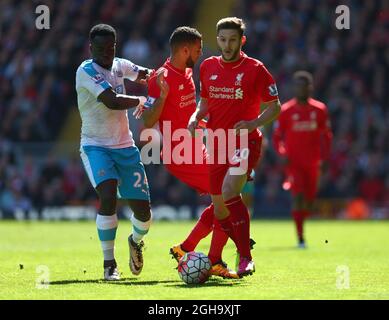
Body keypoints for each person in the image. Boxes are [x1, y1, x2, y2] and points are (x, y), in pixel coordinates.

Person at [137, 26, 239, 279]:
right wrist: (161, 96)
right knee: (226, 197)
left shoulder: (188, 71)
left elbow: (189, 114)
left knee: (226, 195)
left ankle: (185, 248)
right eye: (198, 49)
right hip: (180, 153)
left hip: (198, 147)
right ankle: (214, 259)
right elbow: (147, 122)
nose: (201, 53)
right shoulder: (160, 77)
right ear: (185, 50)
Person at [188, 17, 281, 277]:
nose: (227, 45)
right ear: (216, 40)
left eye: (232, 40)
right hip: (217, 141)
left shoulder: (255, 69)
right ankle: (217, 259)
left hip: (245, 141)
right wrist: (195, 117)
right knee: (219, 207)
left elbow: (275, 106)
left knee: (230, 191)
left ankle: (245, 257)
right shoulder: (207, 66)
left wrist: (253, 123)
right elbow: (204, 103)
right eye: (222, 40)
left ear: (242, 40)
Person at [75, 24, 153, 281]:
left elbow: (146, 75)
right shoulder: (85, 71)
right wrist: (143, 101)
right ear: (91, 48)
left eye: (110, 47)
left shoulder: (121, 65)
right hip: (95, 145)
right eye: (100, 48)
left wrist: (165, 75)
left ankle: (135, 241)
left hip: (125, 146)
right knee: (108, 194)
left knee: (143, 213)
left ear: (115, 46)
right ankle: (109, 264)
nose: (106, 52)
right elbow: (112, 101)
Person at [272, 71, 333, 248]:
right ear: (294, 88)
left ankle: (302, 223)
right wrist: (282, 154)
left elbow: (326, 136)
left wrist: (326, 158)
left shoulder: (319, 110)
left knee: (310, 200)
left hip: (313, 162)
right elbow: (277, 136)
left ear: (310, 88)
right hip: (293, 163)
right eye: (298, 85)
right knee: (298, 196)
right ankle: (300, 238)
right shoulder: (286, 110)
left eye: (304, 85)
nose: (301, 89)